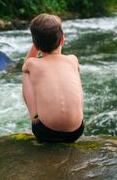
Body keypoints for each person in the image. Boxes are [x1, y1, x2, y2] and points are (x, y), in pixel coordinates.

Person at [22, 13, 84, 143]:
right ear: (62, 40)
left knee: (26, 71)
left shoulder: (32, 64)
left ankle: (35, 118)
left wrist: (36, 45)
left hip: (45, 132)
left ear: (36, 45)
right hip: (76, 131)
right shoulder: (73, 59)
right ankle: (77, 116)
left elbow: (25, 64)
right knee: (74, 72)